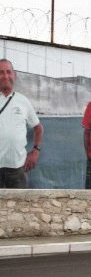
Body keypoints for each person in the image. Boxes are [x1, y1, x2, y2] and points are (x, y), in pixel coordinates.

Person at [0, 59, 43, 188]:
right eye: (1, 72)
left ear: (14, 76)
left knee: (18, 207)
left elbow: (38, 128)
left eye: (8, 72)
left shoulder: (23, 101)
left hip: (17, 169)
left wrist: (36, 151)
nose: (5, 76)